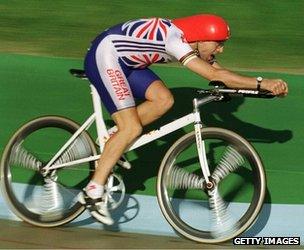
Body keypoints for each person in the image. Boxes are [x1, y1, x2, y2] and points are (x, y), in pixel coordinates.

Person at [78, 14, 288, 225]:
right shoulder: (174, 40)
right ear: (201, 39)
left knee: (164, 100)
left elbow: (220, 72)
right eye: (219, 44)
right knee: (131, 128)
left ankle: (116, 136)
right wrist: (262, 82)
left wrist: (259, 90)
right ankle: (92, 191)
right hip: (105, 56)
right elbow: (216, 77)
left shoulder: (190, 41)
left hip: (127, 63)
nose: (221, 50)